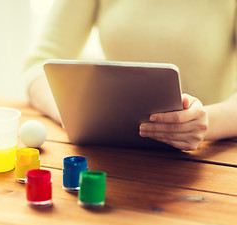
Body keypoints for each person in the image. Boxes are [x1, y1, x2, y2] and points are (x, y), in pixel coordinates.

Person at [22, 0, 237, 151]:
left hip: (209, 157)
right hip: (112, 154)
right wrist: (73, 114)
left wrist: (206, 122)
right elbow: (38, 65)